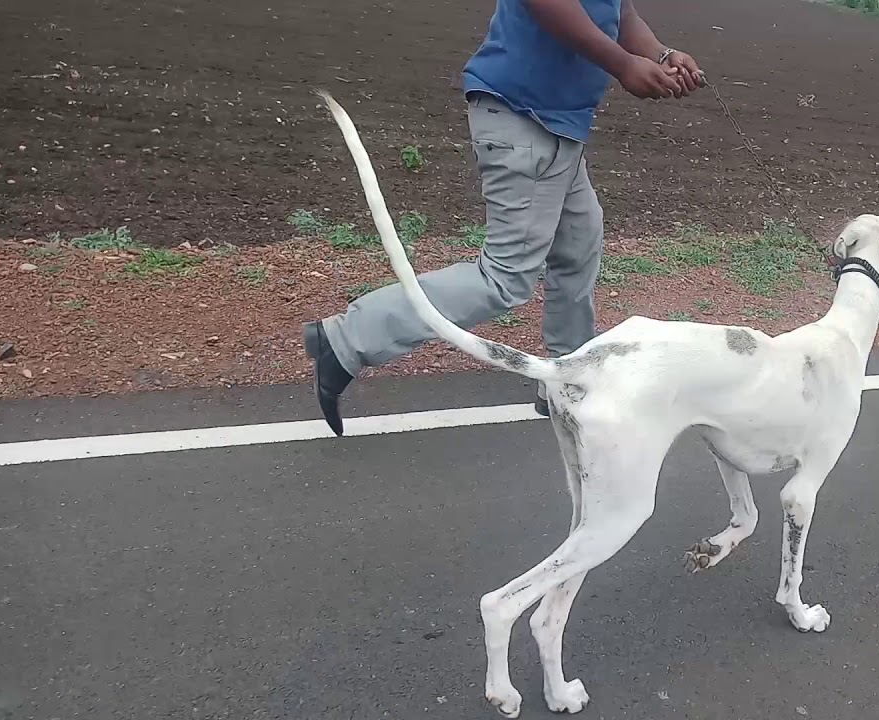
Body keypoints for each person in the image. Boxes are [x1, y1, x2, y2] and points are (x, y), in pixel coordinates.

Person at [302, 0, 705, 436]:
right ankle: (345, 340)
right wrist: (624, 64)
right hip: (524, 118)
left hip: (557, 126)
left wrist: (660, 55)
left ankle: (566, 382)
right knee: (505, 276)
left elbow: (620, 11)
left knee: (577, 246)